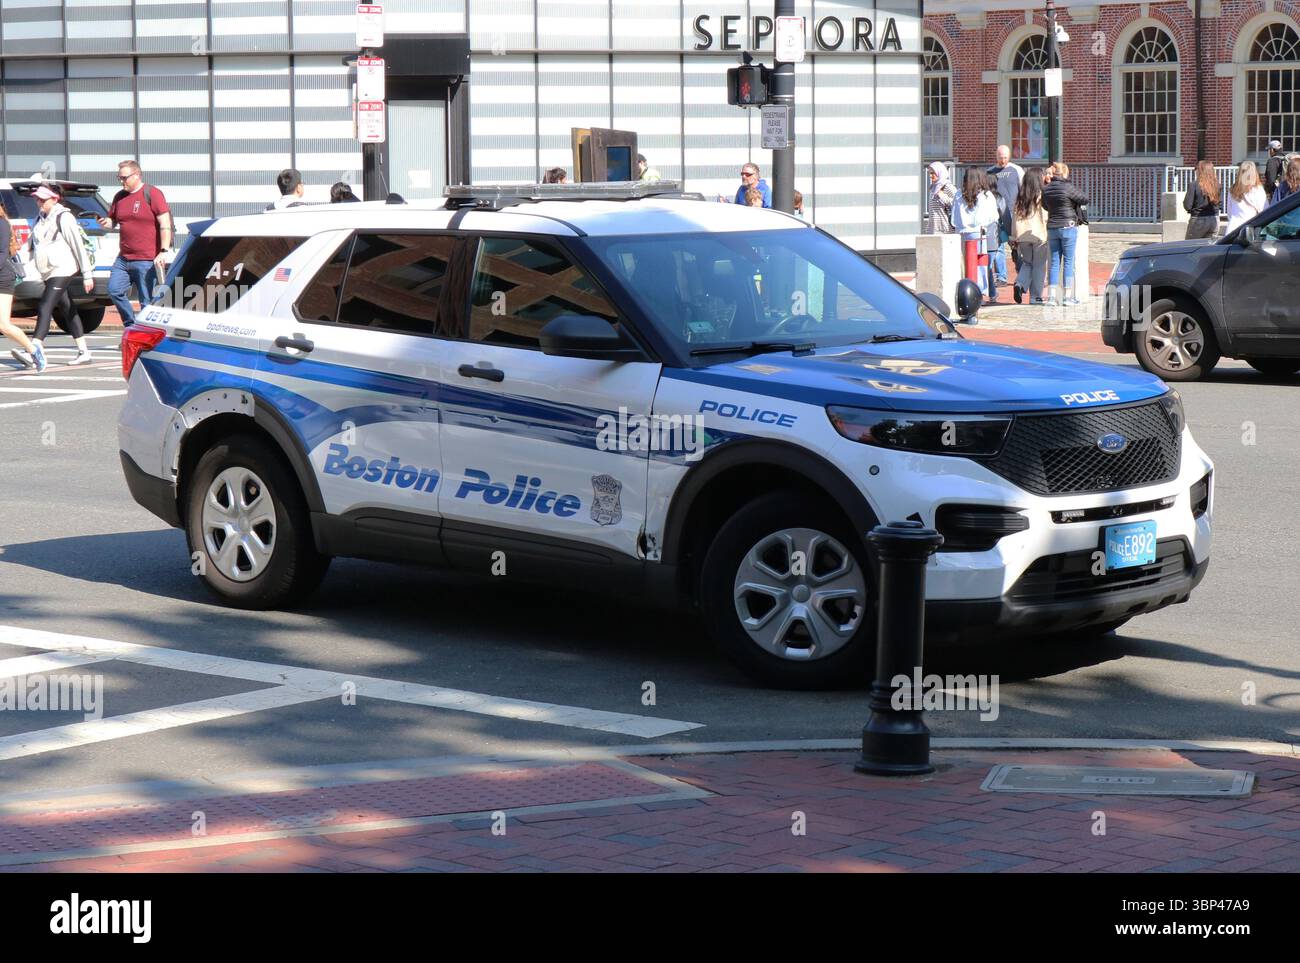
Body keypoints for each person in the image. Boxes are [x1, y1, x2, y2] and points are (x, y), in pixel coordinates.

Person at [97, 159, 171, 328]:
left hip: (146, 259)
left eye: (124, 178)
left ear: (136, 175)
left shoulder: (152, 193)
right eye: (119, 178)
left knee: (146, 301)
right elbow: (113, 222)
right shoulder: (120, 196)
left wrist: (163, 251)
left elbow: (165, 224)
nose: (122, 181)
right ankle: (131, 327)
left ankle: (147, 333)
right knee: (114, 290)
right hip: (123, 258)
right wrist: (105, 222)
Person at [28, 184, 94, 366]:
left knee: (44, 306)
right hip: (48, 270)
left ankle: (35, 348)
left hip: (63, 268)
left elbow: (78, 245)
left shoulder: (64, 217)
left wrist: (87, 274)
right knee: (67, 307)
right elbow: (33, 245)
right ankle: (84, 351)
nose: (38, 202)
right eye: (37, 198)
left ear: (55, 199)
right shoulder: (39, 218)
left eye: (42, 199)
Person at [1, 203, 45, 372]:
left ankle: (34, 351)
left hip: (2, 278)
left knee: (4, 325)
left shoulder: (2, 224)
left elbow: (2, 254)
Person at [1042, 161, 1089, 306]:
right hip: (1068, 226)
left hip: (1052, 226)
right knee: (1068, 261)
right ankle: (1067, 297)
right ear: (1063, 173)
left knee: (1054, 262)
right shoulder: (1068, 187)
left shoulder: (1047, 189)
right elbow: (1084, 198)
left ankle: (1051, 296)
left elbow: (1045, 205)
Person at [951, 168, 999, 300]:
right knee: (980, 265)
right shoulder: (986, 195)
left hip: (963, 234)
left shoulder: (959, 194)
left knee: (963, 264)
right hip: (980, 233)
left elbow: (954, 218)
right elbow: (993, 217)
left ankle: (964, 292)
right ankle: (979, 293)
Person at [986, 145, 1024, 293]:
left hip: (1013, 213)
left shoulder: (1016, 170)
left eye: (1005, 158)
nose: (1003, 160)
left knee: (1017, 245)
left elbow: (1022, 189)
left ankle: (1021, 273)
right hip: (996, 215)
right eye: (1000, 157)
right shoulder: (990, 172)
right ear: (996, 156)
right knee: (999, 246)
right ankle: (1001, 276)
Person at [1011, 168, 1049, 305]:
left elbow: (1014, 217)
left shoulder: (1020, 197)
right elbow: (1045, 216)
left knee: (1027, 263)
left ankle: (1020, 283)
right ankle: (1036, 296)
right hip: (1038, 234)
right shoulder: (1041, 196)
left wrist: (1013, 237)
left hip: (1022, 235)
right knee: (1039, 265)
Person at [1225, 161, 1267, 233]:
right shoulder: (1258, 189)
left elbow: (1229, 211)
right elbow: (1264, 211)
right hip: (1249, 229)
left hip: (1232, 228)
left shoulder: (1232, 189)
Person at [1183, 159, 1220, 240]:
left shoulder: (1194, 185)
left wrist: (1192, 210)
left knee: (1190, 246)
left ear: (1200, 171)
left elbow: (1187, 205)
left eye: (1196, 169)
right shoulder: (1217, 185)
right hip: (1214, 219)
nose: (1195, 171)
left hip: (1198, 220)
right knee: (1209, 247)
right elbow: (1219, 202)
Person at [925, 161, 956, 234]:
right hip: (934, 229)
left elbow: (957, 203)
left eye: (933, 173)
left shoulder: (947, 186)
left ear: (939, 172)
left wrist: (943, 196)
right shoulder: (933, 187)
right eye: (930, 173)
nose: (930, 176)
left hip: (945, 229)